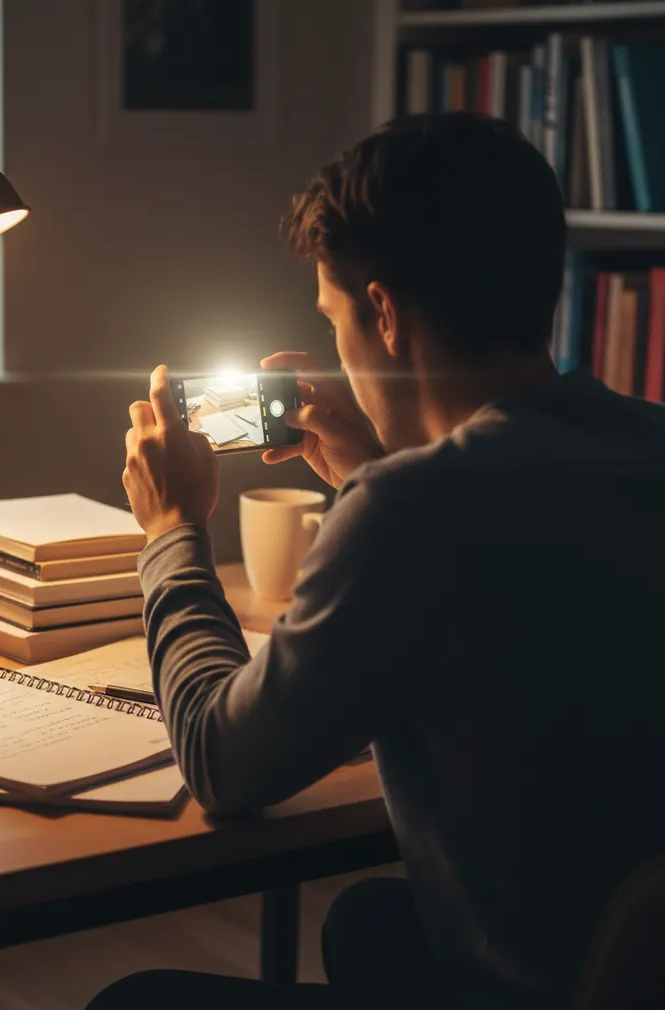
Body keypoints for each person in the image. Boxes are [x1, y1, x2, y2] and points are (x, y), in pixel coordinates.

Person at [88, 113, 665, 1010]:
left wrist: (170, 531)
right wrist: (370, 470)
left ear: (385, 313)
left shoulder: (410, 512)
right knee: (367, 919)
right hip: (626, 953)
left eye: (334, 316)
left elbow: (220, 761)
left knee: (134, 1003)